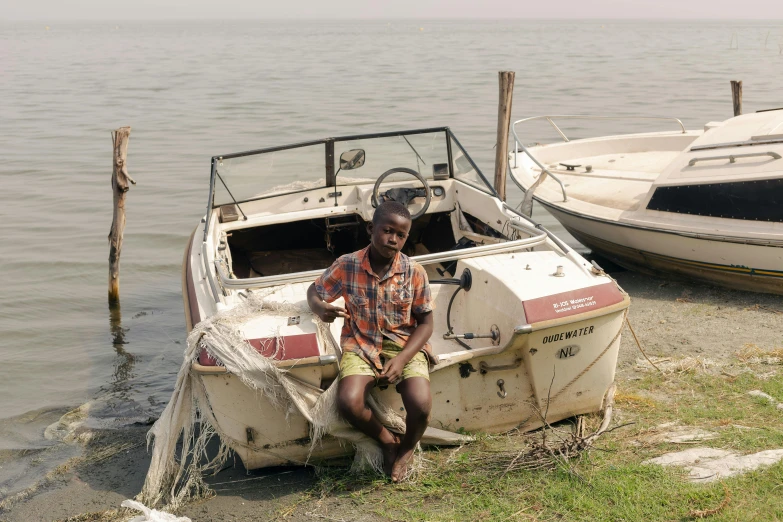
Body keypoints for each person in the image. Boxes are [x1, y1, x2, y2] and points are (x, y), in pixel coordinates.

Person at [307, 201, 434, 482]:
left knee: (421, 405)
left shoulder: (415, 272)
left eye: (401, 235)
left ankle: (407, 448)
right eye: (387, 230)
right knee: (349, 403)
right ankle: (388, 441)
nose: (393, 239)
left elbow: (426, 324)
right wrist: (320, 307)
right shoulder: (347, 264)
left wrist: (401, 360)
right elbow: (314, 290)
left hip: (405, 345)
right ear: (370, 229)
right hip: (360, 343)